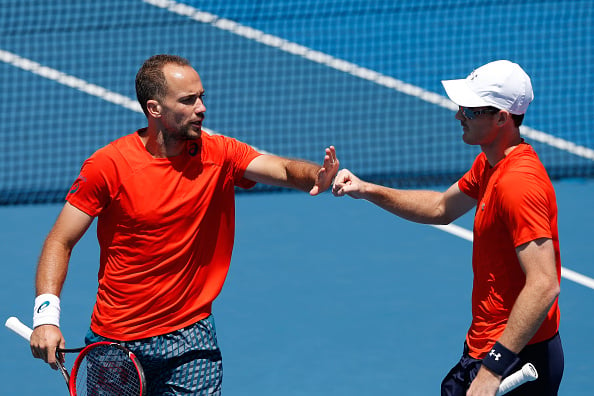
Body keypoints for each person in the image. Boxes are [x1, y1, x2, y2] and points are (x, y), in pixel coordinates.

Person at [30, 54, 339, 395]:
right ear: (155, 109)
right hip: (118, 339)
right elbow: (60, 240)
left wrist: (316, 175)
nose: (201, 108)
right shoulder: (108, 166)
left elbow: (281, 169)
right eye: (188, 100)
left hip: (191, 337)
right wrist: (46, 316)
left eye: (201, 97)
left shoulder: (219, 153)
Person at [332, 60, 563, 395]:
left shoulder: (518, 183)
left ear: (501, 118)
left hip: (513, 357)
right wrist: (368, 189)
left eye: (469, 110)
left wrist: (493, 370)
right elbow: (441, 207)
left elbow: (544, 285)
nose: (459, 116)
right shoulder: (490, 164)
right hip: (488, 348)